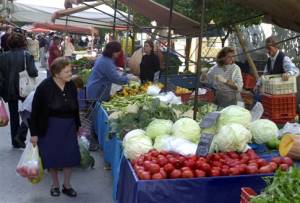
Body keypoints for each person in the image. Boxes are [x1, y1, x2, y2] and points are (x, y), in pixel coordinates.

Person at [30, 57, 80, 197]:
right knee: (52, 157)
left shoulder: (71, 86)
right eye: (67, 71)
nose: (70, 74)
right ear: (57, 73)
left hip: (69, 126)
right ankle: (55, 185)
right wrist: (34, 133)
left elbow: (75, 109)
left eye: (70, 70)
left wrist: (77, 126)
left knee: (69, 156)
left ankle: (67, 185)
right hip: (50, 127)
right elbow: (35, 112)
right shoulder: (44, 87)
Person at [0, 32, 38, 148]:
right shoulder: (26, 55)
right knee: (29, 111)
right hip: (25, 88)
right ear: (22, 42)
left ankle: (15, 141)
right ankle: (20, 135)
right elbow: (33, 72)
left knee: (14, 114)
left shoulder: (3, 56)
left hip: (9, 89)